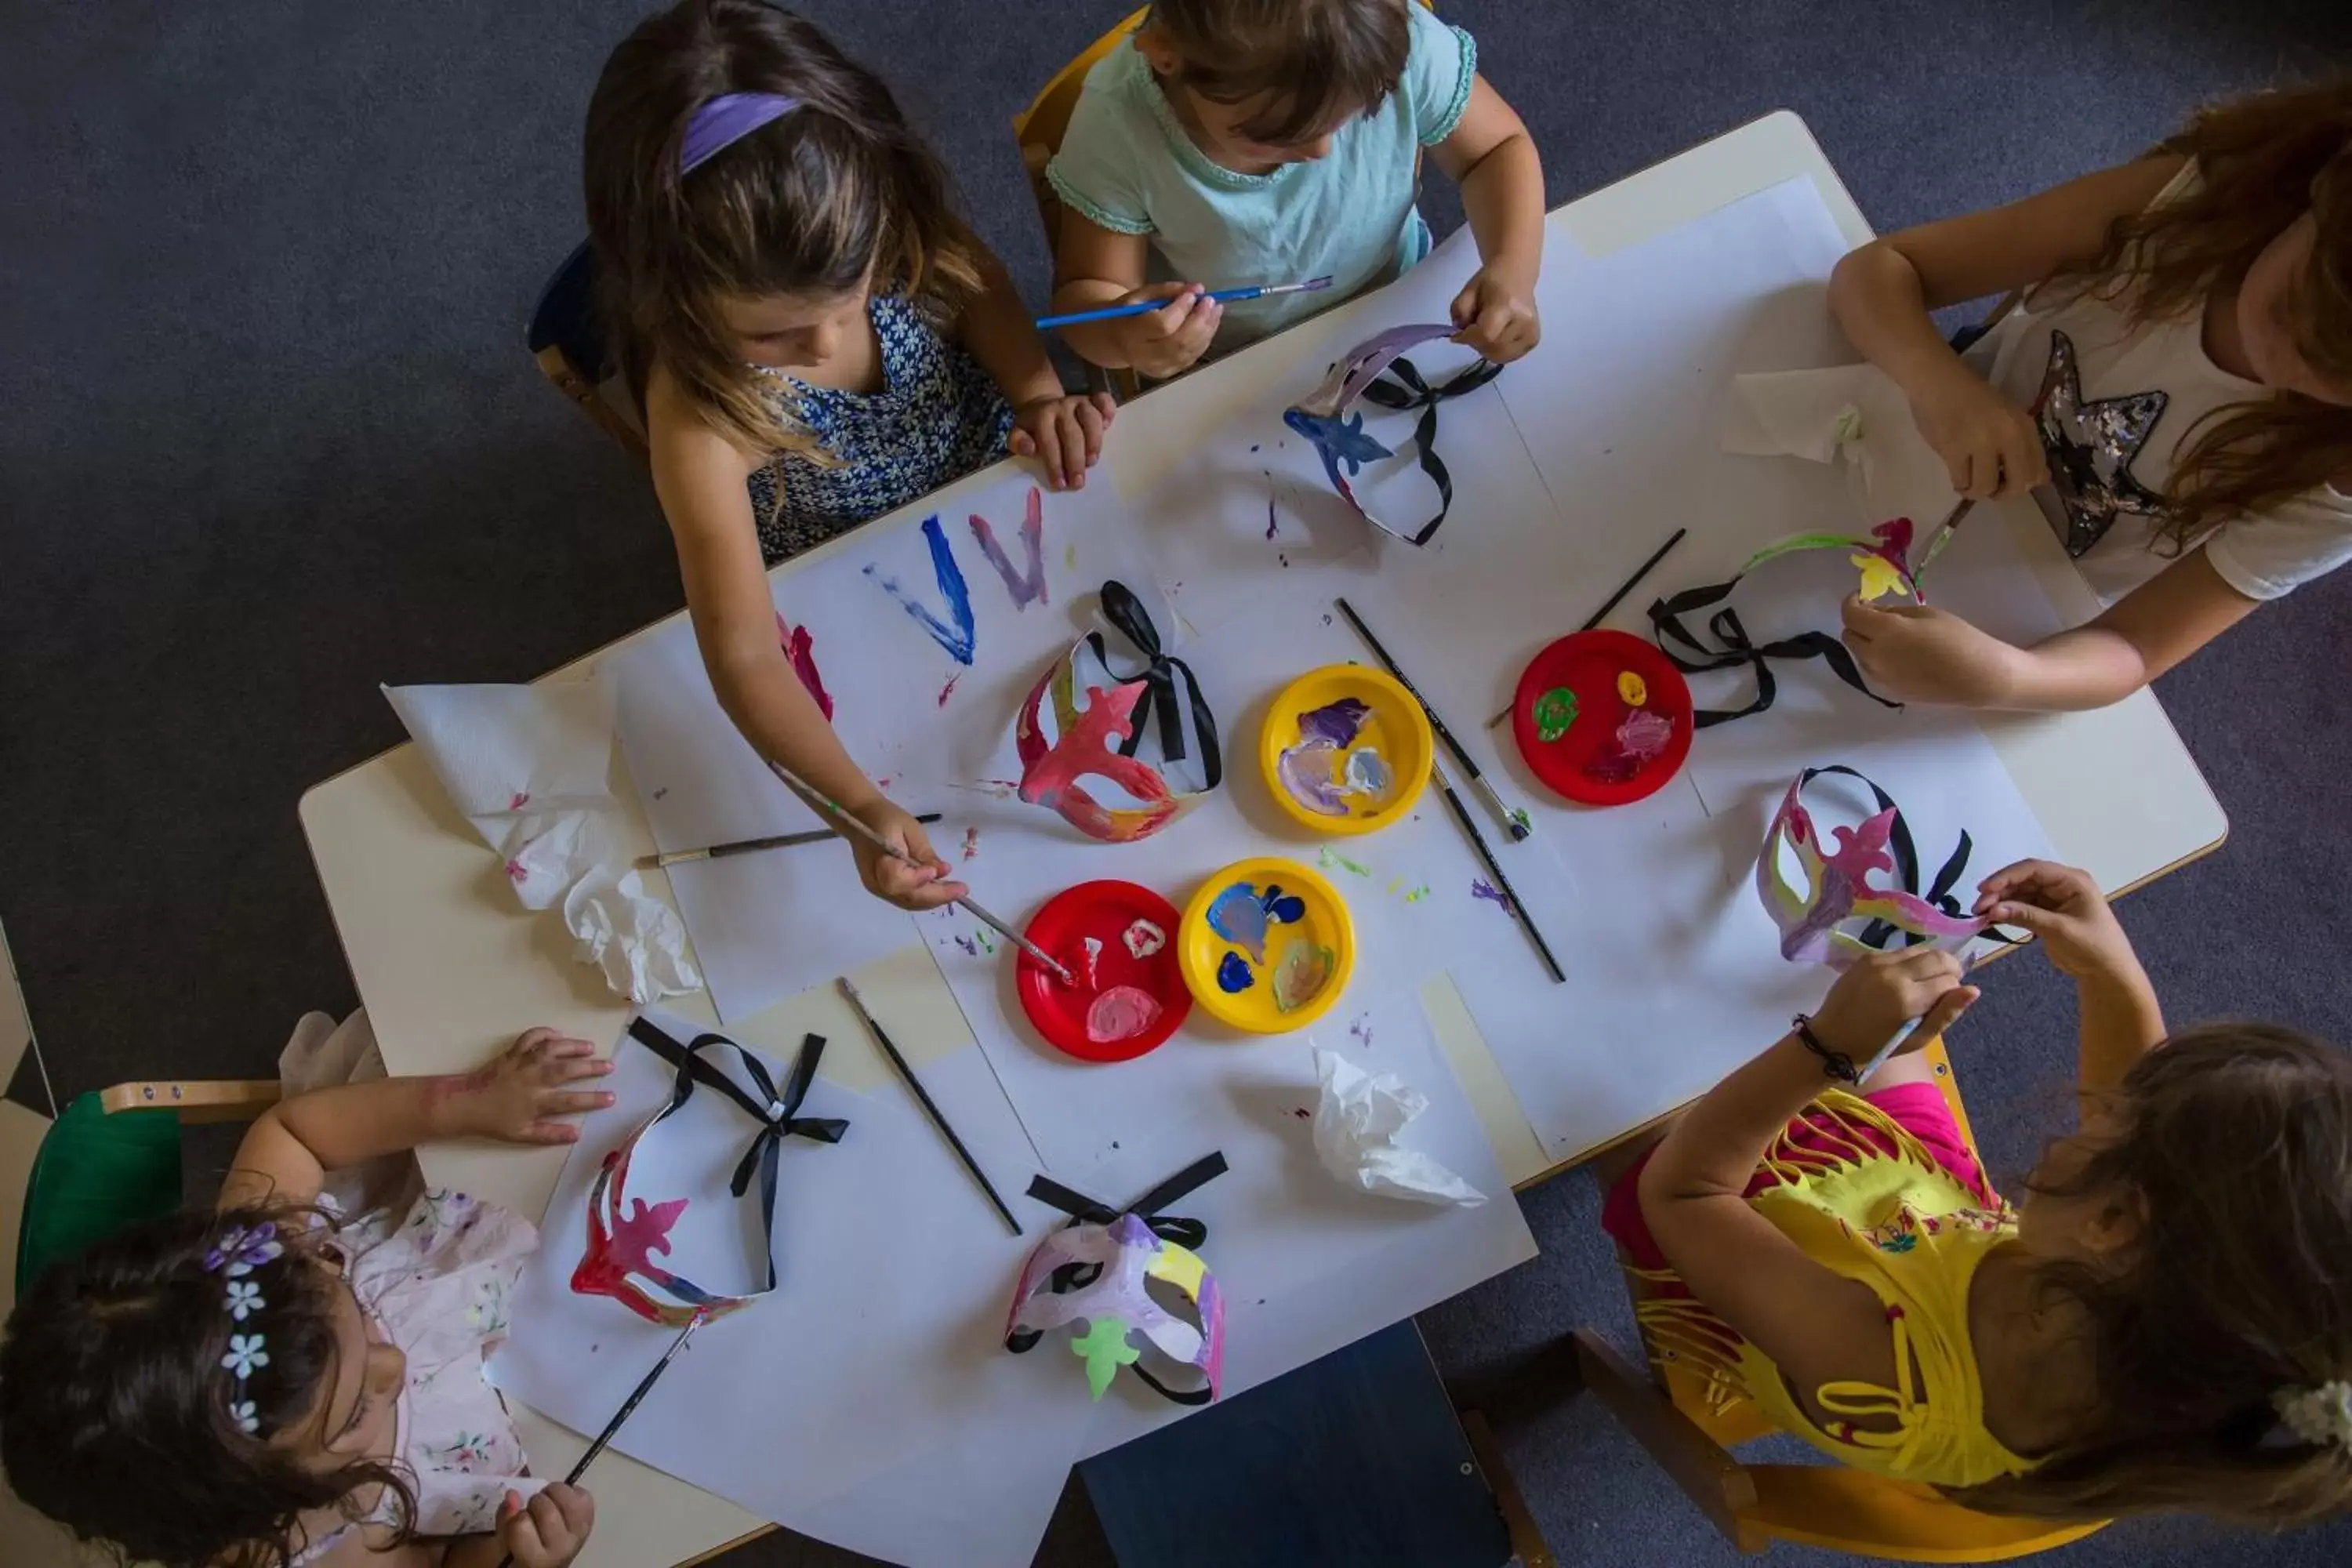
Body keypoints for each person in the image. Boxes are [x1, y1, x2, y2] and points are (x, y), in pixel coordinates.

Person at [1604, 859, 2352, 1519]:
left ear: (2119, 1219)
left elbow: (1685, 1196)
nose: (2098, 1107)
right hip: (1921, 1203)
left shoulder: (1883, 1371)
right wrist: (2108, 973)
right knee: (1863, 963)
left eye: (2115, 1122)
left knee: (1619, 1050)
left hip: (1734, 1226)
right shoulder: (2150, 1361)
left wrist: (1826, 1050)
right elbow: (2141, 1132)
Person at [584, 0, 1113, 909]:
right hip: (858, 585)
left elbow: (976, 282)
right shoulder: (701, 417)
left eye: (854, 298)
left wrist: (1036, 393)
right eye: (778, 335)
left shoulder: (885, 219)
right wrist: (858, 807)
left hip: (1004, 484)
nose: (827, 345)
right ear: (673, 294)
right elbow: (746, 656)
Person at [0, 1029, 619, 1566]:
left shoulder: (264, 1287)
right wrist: (516, 1554)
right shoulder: (321, 1544)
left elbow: (294, 1131)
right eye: (353, 1415)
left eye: (344, 1294)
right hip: (560, 1424)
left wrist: (465, 1102)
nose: (395, 1363)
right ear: (272, 1505)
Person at [1831, 82, 2352, 710]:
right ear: (2314, 196)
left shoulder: (2337, 482)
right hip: (1922, 434)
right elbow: (1878, 270)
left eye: (2336, 377)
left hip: (2036, 602)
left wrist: (2004, 679)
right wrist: (1940, 384)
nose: (2284, 354)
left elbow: (2134, 648)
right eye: (2292, 302)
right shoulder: (2186, 207)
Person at [1044, 0, 1545, 377]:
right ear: (1165, 56)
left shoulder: (1387, 32)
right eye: (1276, 135)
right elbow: (1084, 301)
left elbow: (1497, 149)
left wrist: (1513, 269)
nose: (1322, 151)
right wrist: (1126, 336)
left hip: (1399, 299)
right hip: (1236, 367)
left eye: (1359, 112)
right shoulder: (1118, 126)